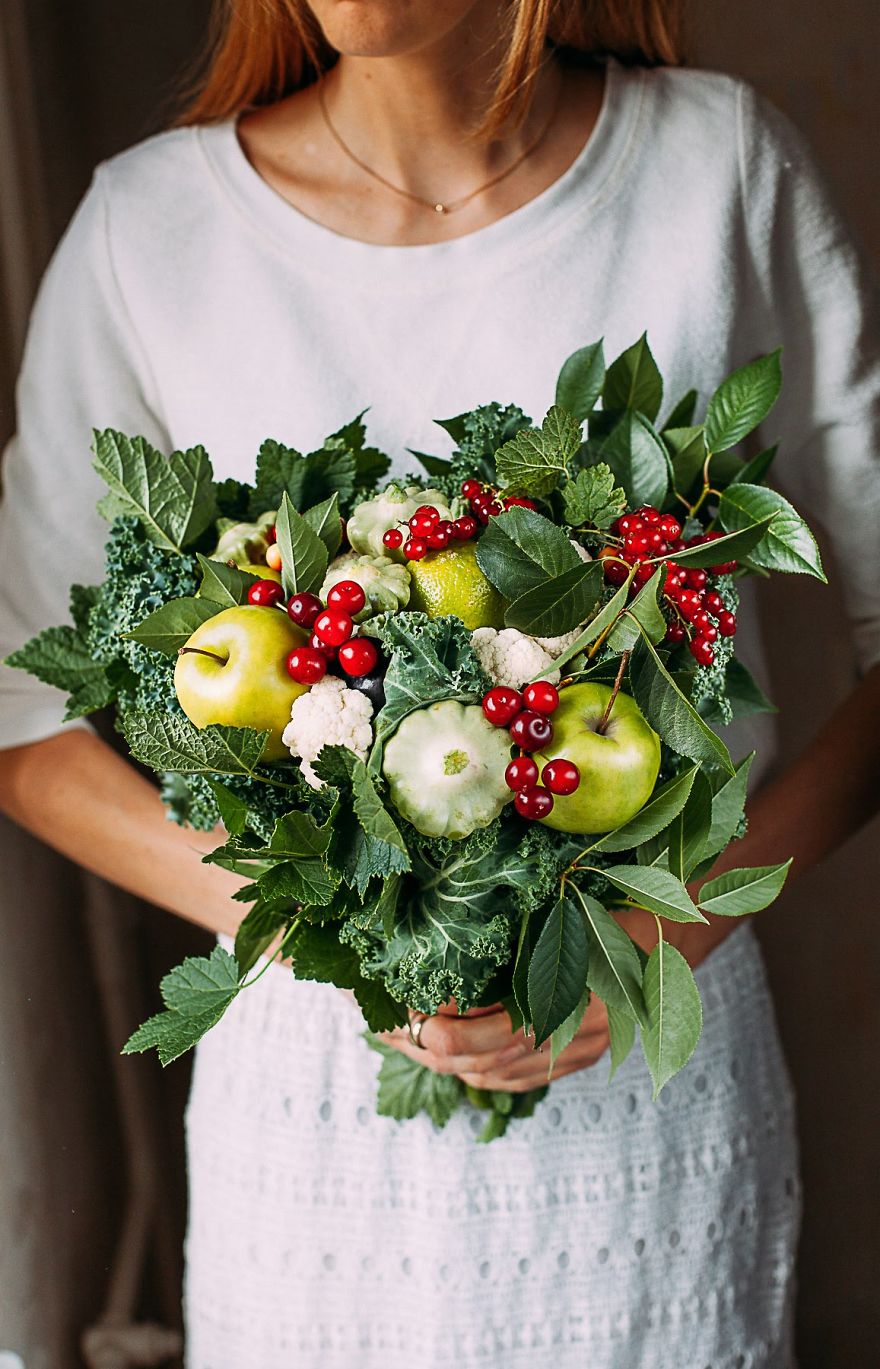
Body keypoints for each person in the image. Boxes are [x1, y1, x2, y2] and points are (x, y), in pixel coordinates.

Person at [1, 1, 878, 1364]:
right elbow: (23, 721)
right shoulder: (147, 232)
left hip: (649, 1071)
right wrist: (326, 931)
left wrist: (674, 927)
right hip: (312, 1122)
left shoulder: (717, 170)